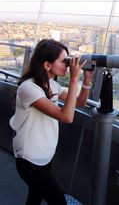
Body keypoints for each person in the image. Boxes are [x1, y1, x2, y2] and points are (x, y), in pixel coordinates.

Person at [9, 39, 93, 205]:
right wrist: (74, 79)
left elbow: (80, 102)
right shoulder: (29, 88)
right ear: (47, 65)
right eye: (64, 61)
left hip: (45, 155)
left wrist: (87, 79)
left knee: (34, 198)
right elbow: (66, 117)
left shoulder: (52, 85)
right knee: (59, 202)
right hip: (29, 160)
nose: (68, 65)